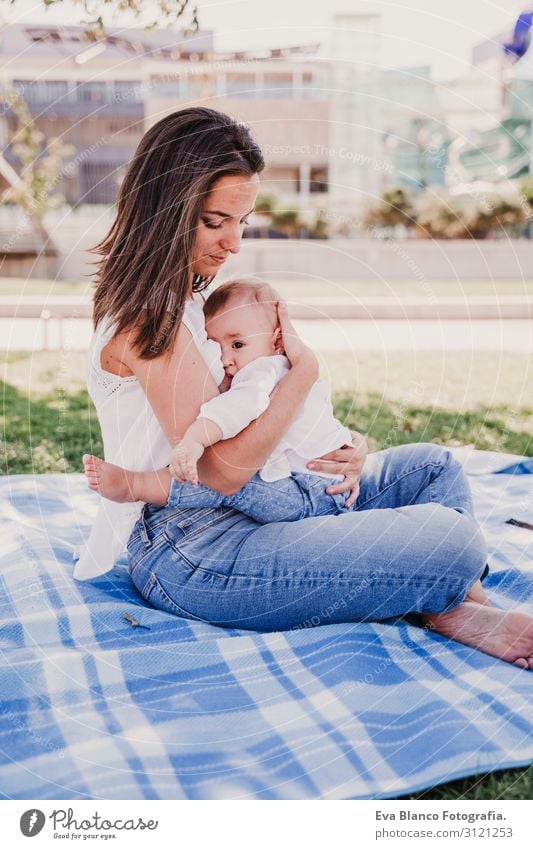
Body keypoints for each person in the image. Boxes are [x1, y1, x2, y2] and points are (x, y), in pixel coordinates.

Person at [75, 106, 533, 669]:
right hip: (198, 550)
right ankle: (447, 592)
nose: (234, 244)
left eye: (242, 222)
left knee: (432, 470)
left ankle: (461, 605)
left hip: (274, 498)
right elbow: (221, 473)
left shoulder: (191, 302)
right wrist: (305, 371)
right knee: (453, 542)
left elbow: (256, 409)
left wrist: (334, 444)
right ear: (163, 211)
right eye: (216, 221)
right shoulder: (151, 320)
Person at [82, 276, 358, 524]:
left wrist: (195, 440)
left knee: (229, 485)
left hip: (311, 493)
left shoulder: (263, 372)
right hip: (324, 485)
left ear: (277, 342)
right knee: (230, 477)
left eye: (237, 345)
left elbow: (234, 409)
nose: (225, 359)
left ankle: (139, 486)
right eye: (218, 347)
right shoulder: (278, 365)